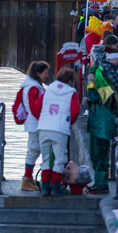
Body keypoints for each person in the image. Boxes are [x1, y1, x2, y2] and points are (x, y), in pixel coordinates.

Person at [32, 66, 80, 196]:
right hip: (60, 129)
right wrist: (69, 122)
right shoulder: (71, 92)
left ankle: (45, 188)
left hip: (44, 128)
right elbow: (75, 111)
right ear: (70, 80)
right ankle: (55, 189)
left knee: (46, 159)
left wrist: (41, 118)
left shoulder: (49, 89)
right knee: (60, 159)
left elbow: (37, 105)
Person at [86, 46, 118, 193]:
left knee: (98, 152)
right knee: (101, 152)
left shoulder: (100, 72)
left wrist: (90, 84)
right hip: (106, 118)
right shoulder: (110, 72)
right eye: (117, 57)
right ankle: (99, 182)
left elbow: (97, 97)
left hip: (101, 120)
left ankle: (101, 184)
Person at [17, 60, 50, 192]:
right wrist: (43, 121)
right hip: (36, 124)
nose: (47, 76)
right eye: (45, 73)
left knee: (34, 150)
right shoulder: (34, 88)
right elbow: (34, 107)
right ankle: (26, 179)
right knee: (34, 150)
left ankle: (28, 178)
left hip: (33, 123)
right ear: (38, 73)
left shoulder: (31, 85)